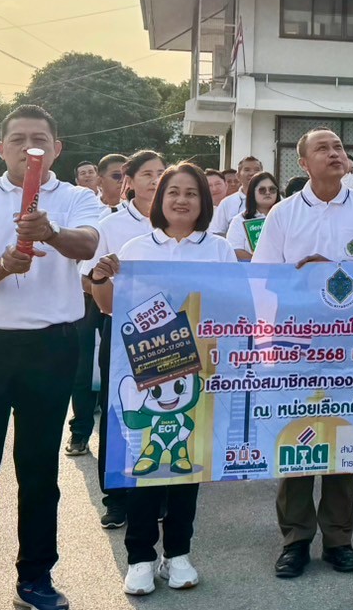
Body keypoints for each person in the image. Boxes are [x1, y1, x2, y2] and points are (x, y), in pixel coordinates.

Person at [0, 105, 105, 610]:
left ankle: (35, 578)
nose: (28, 147)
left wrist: (49, 233)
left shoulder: (77, 197)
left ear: (56, 149)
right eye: (17, 139)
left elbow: (87, 245)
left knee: (37, 470)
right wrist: (5, 263)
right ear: (1, 148)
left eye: (39, 139)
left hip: (51, 346)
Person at [251, 129, 353, 580]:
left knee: (344, 436)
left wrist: (335, 273)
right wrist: (308, 279)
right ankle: (295, 539)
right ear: (303, 164)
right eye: (323, 148)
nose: (335, 153)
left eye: (338, 147)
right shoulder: (283, 213)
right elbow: (265, 279)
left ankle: (339, 538)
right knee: (297, 436)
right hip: (298, 343)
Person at [88, 162, 236, 594]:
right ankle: (140, 558)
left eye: (191, 193)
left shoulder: (219, 249)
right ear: (159, 199)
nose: (181, 200)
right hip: (144, 372)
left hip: (198, 372)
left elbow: (234, 307)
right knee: (144, 467)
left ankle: (178, 554)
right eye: (173, 192)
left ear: (204, 202)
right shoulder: (135, 247)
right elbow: (108, 306)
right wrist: (100, 277)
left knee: (186, 467)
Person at [81, 149, 167, 531]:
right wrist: (111, 283)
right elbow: (88, 280)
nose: (155, 180)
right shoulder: (110, 225)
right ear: (129, 180)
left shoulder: (177, 223)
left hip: (167, 334)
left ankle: (158, 493)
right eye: (147, 173)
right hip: (121, 330)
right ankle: (116, 498)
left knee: (163, 411)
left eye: (161, 172)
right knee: (117, 411)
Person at [65, 151, 126, 458]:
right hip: (89, 298)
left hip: (124, 303)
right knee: (84, 367)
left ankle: (117, 439)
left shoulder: (142, 217)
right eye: (117, 176)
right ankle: (80, 431)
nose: (123, 182)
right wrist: (95, 284)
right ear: (100, 181)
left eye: (127, 175)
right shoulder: (90, 215)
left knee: (116, 369)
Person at [226, 170, 280, 260]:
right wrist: (258, 261)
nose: (268, 192)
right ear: (252, 192)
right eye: (262, 190)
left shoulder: (287, 217)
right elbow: (235, 250)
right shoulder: (239, 220)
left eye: (272, 189)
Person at [208, 155, 263, 236]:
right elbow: (216, 233)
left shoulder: (274, 199)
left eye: (257, 170)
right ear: (238, 176)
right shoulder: (227, 203)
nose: (252, 173)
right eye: (247, 170)